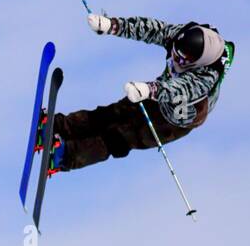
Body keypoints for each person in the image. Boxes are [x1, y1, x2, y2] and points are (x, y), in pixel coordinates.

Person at [39, 15, 234, 173]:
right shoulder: (180, 35)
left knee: (120, 137)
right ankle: (58, 125)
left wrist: (150, 89)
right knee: (111, 114)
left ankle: (65, 156)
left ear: (196, 62)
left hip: (177, 118)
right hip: (155, 93)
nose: (176, 59)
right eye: (175, 53)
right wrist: (112, 25)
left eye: (183, 61)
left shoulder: (207, 75)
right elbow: (150, 29)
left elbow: (181, 89)